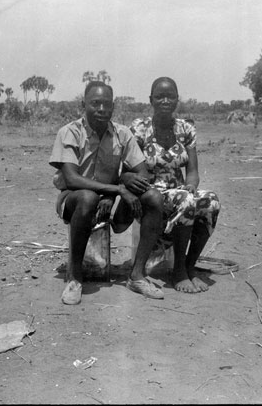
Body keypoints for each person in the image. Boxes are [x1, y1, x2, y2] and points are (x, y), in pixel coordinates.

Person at [49, 81, 164, 305]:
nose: (101, 109)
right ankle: (74, 278)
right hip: (74, 201)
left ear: (114, 106)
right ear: (84, 104)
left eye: (106, 104)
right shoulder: (70, 132)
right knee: (87, 197)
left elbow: (142, 174)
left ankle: (137, 275)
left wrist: (122, 182)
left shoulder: (122, 134)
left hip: (109, 200)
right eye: (95, 103)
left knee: (153, 198)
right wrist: (118, 189)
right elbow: (72, 179)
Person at [129, 77, 221, 294]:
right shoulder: (140, 128)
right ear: (151, 100)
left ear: (177, 100)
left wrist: (191, 185)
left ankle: (189, 265)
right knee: (186, 200)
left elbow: (192, 171)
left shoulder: (185, 128)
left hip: (179, 189)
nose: (164, 101)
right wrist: (185, 193)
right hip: (150, 191)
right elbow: (132, 168)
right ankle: (178, 271)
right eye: (159, 96)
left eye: (170, 96)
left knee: (211, 202)